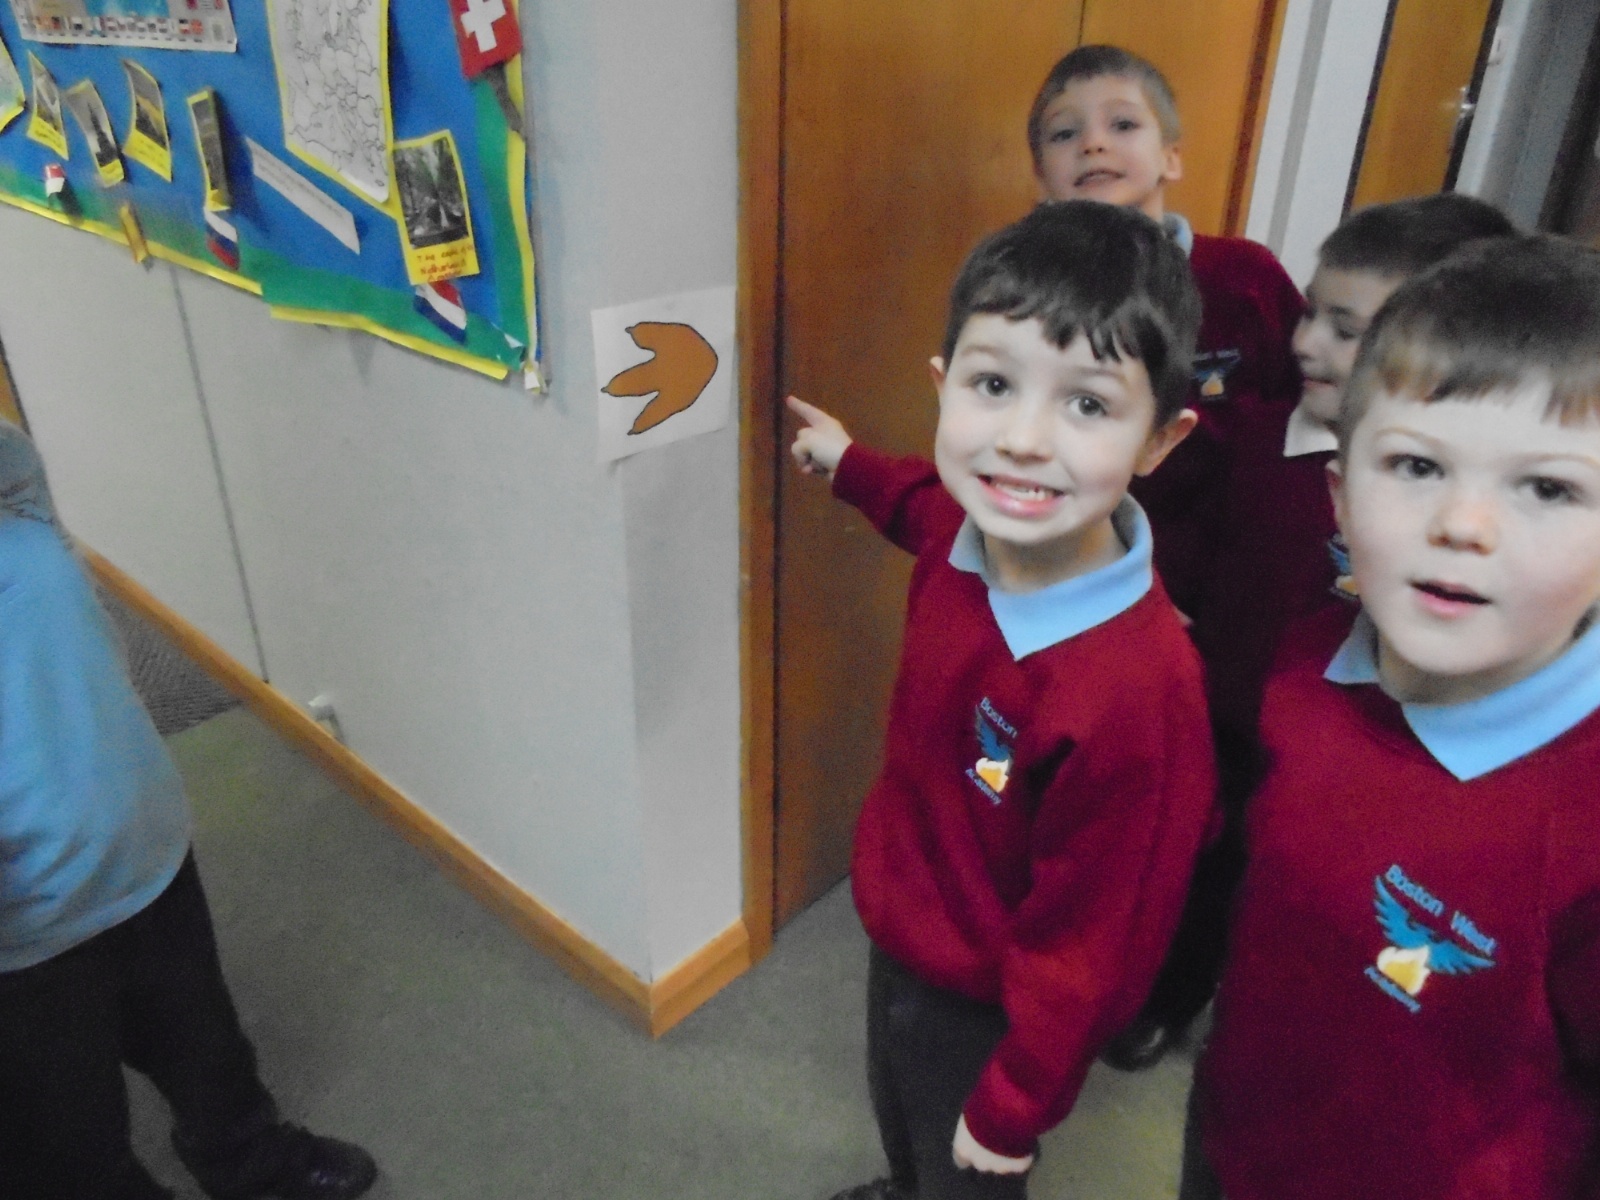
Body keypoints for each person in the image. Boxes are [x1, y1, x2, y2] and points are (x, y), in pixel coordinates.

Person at [789, 200, 1218, 1200]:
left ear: (1158, 441)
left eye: (1088, 405)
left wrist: (1016, 1100)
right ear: (944, 387)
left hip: (988, 999)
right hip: (906, 916)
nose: (1022, 440)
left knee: (963, 1164)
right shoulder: (965, 528)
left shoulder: (1136, 693)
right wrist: (847, 464)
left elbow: (1095, 945)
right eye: (993, 386)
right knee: (899, 1106)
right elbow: (918, 504)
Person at [1188, 233, 1600, 1199]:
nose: (1462, 525)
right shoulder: (1302, 667)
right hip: (1235, 1139)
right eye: (1416, 466)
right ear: (1339, 494)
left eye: (1548, 487)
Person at [1116, 193, 1519, 1068]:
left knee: (1297, 896)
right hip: (1222, 711)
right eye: (1311, 316)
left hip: (1340, 747)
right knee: (1195, 868)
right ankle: (1167, 997)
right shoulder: (1258, 433)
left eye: (1347, 330)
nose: (1307, 345)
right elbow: (1197, 533)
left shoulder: (1445, 505)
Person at [0, 419, 377, 1200]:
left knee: (207, 1051)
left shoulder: (15, 507)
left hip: (148, 856)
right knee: (70, 1146)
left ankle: (247, 1157)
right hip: (30, 939)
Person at [1027, 44, 1304, 623]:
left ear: (1171, 158)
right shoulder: (1028, 297)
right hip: (1089, 591)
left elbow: (1308, 418)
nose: (1093, 143)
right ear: (1043, 178)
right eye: (1065, 134)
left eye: (1123, 124)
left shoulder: (1246, 277)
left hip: (1241, 587)